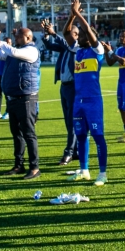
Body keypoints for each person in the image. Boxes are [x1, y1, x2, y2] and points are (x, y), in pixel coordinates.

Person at [63, 0, 108, 185]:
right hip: (78, 101)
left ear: (89, 38)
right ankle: (84, 169)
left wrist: (79, 13)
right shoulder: (78, 51)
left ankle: (102, 173)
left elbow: (88, 31)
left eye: (80, 35)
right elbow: (66, 33)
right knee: (81, 136)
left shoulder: (97, 51)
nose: (77, 37)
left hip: (93, 101)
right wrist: (72, 15)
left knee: (98, 137)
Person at [0, 23, 42, 180]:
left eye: (18, 35)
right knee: (16, 133)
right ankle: (19, 164)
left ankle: (34, 167)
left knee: (28, 134)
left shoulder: (31, 50)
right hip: (13, 98)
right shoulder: (16, 51)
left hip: (26, 98)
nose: (15, 37)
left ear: (28, 37)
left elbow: (13, 51)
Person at [41, 18, 79, 165]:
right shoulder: (66, 47)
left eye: (71, 34)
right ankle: (75, 150)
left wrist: (54, 33)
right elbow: (49, 45)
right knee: (68, 121)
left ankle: (69, 152)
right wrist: (46, 35)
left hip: (73, 87)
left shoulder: (77, 47)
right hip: (64, 86)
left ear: (76, 35)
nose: (68, 38)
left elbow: (63, 42)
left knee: (72, 121)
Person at [104, 25, 125, 143]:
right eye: (120, 36)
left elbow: (124, 61)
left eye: (124, 36)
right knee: (121, 107)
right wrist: (106, 52)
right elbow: (109, 63)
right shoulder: (119, 50)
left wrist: (111, 52)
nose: (121, 38)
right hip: (121, 81)